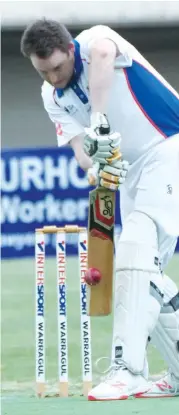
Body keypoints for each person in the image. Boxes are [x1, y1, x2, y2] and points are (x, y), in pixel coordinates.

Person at [21, 20, 179, 400]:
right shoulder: (52, 96)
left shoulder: (94, 42)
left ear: (71, 51)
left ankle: (128, 370)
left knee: (134, 254)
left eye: (58, 68)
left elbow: (106, 56)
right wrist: (96, 162)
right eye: (44, 71)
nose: (54, 77)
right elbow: (81, 153)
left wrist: (99, 123)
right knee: (141, 274)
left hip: (168, 146)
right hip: (128, 174)